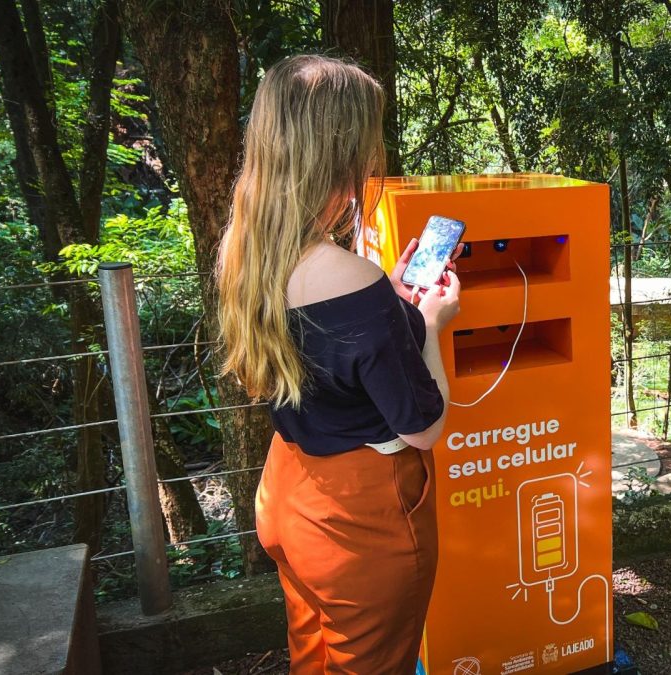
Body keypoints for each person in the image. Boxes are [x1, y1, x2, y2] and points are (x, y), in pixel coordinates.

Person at [216, 54, 460, 674]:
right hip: (361, 519)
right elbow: (422, 426)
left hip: (288, 494)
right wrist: (428, 324)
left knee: (315, 657)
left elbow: (330, 358)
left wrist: (396, 309)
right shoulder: (355, 281)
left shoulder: (246, 251)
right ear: (341, 151)